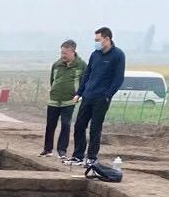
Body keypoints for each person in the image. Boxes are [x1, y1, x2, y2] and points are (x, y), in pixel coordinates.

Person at [71, 26, 125, 167]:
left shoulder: (118, 55)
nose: (96, 42)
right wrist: (79, 93)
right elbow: (87, 75)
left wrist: (107, 95)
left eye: (98, 40)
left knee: (95, 128)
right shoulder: (95, 54)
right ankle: (78, 156)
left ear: (107, 39)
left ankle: (91, 158)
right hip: (88, 96)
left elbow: (118, 78)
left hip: (101, 98)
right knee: (79, 126)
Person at [41, 40, 84, 159]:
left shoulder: (81, 65)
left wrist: (78, 94)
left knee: (65, 125)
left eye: (65, 53)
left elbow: (84, 82)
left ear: (73, 52)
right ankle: (47, 149)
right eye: (62, 53)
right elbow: (52, 80)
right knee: (50, 125)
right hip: (54, 100)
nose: (63, 56)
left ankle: (62, 150)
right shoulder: (56, 65)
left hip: (69, 101)